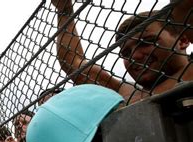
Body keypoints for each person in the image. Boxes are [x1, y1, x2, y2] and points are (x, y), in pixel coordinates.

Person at [50, 0, 192, 103]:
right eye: (126, 53)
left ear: (183, 40)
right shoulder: (126, 91)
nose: (135, 56)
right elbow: (72, 62)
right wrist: (65, 10)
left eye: (147, 42)